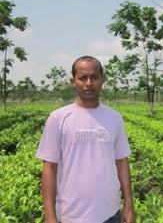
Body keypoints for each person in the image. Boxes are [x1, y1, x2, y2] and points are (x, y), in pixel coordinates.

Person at [36, 56, 134, 223]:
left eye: (94, 77)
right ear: (73, 81)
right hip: (70, 216)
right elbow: (49, 168)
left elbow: (122, 163)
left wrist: (129, 206)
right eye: (82, 78)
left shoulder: (114, 118)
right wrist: (50, 216)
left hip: (110, 214)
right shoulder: (58, 118)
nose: (88, 83)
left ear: (103, 80)